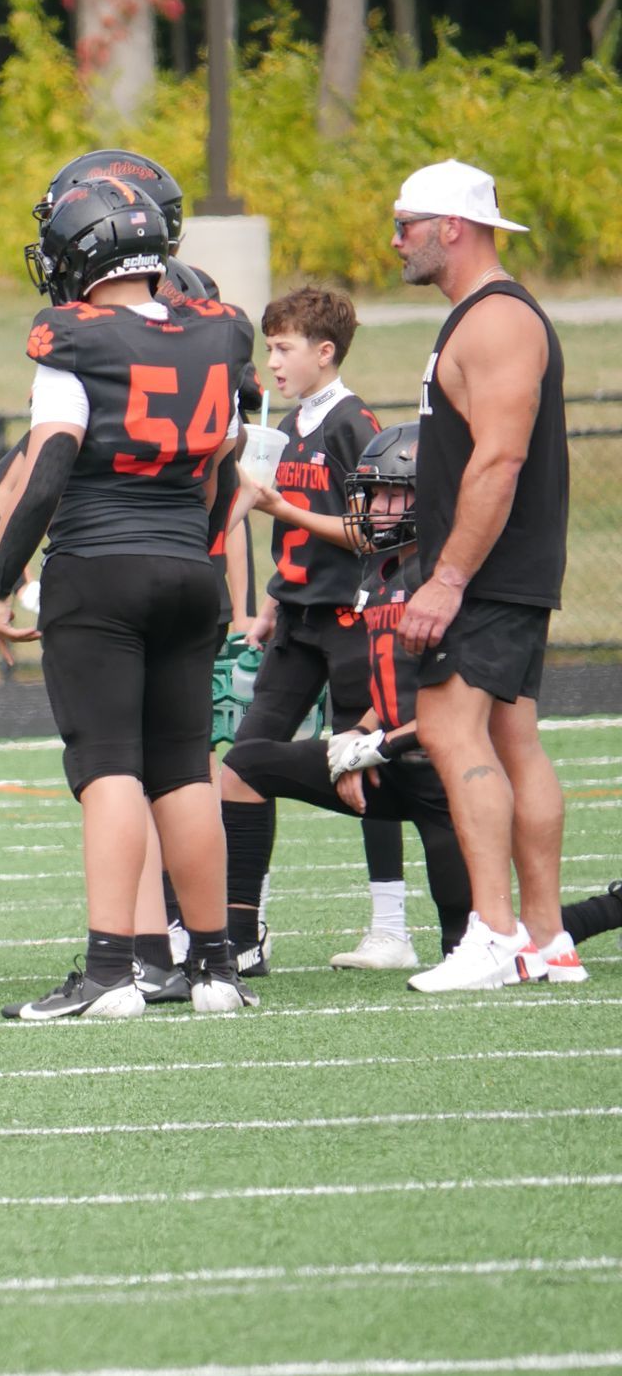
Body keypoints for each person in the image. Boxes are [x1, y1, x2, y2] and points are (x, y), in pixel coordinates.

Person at [0, 177, 257, 1019]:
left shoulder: (72, 334)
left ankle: (112, 972)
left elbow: (49, 469)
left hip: (99, 567)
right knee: (184, 770)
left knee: (108, 766)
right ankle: (214, 968)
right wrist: (202, 553)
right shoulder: (222, 330)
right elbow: (225, 465)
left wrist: (3, 580)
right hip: (189, 569)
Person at [389, 160, 575, 991]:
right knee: (510, 737)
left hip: (489, 571)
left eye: (406, 225)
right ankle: (546, 939)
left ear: (450, 228)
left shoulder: (496, 320)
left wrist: (449, 578)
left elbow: (500, 459)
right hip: (507, 567)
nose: (396, 240)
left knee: (448, 729)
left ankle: (493, 933)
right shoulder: (480, 316)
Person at [223, 424, 473, 963]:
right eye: (373, 494)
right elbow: (390, 688)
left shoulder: (445, 580)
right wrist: (357, 735)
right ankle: (237, 942)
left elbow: (461, 701)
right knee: (245, 765)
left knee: (475, 941)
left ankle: (584, 915)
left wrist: (380, 744)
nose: (378, 508)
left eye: (393, 494)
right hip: (388, 758)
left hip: (447, 777)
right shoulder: (380, 571)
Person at [218, 289, 403, 973]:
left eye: (285, 347)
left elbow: (372, 530)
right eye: (268, 347)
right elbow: (294, 537)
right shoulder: (289, 425)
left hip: (351, 619)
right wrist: (271, 601)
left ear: (326, 352)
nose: (272, 361)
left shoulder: (354, 424)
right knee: (246, 761)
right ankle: (246, 927)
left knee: (365, 766)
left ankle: (392, 924)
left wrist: (280, 506)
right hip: (296, 619)